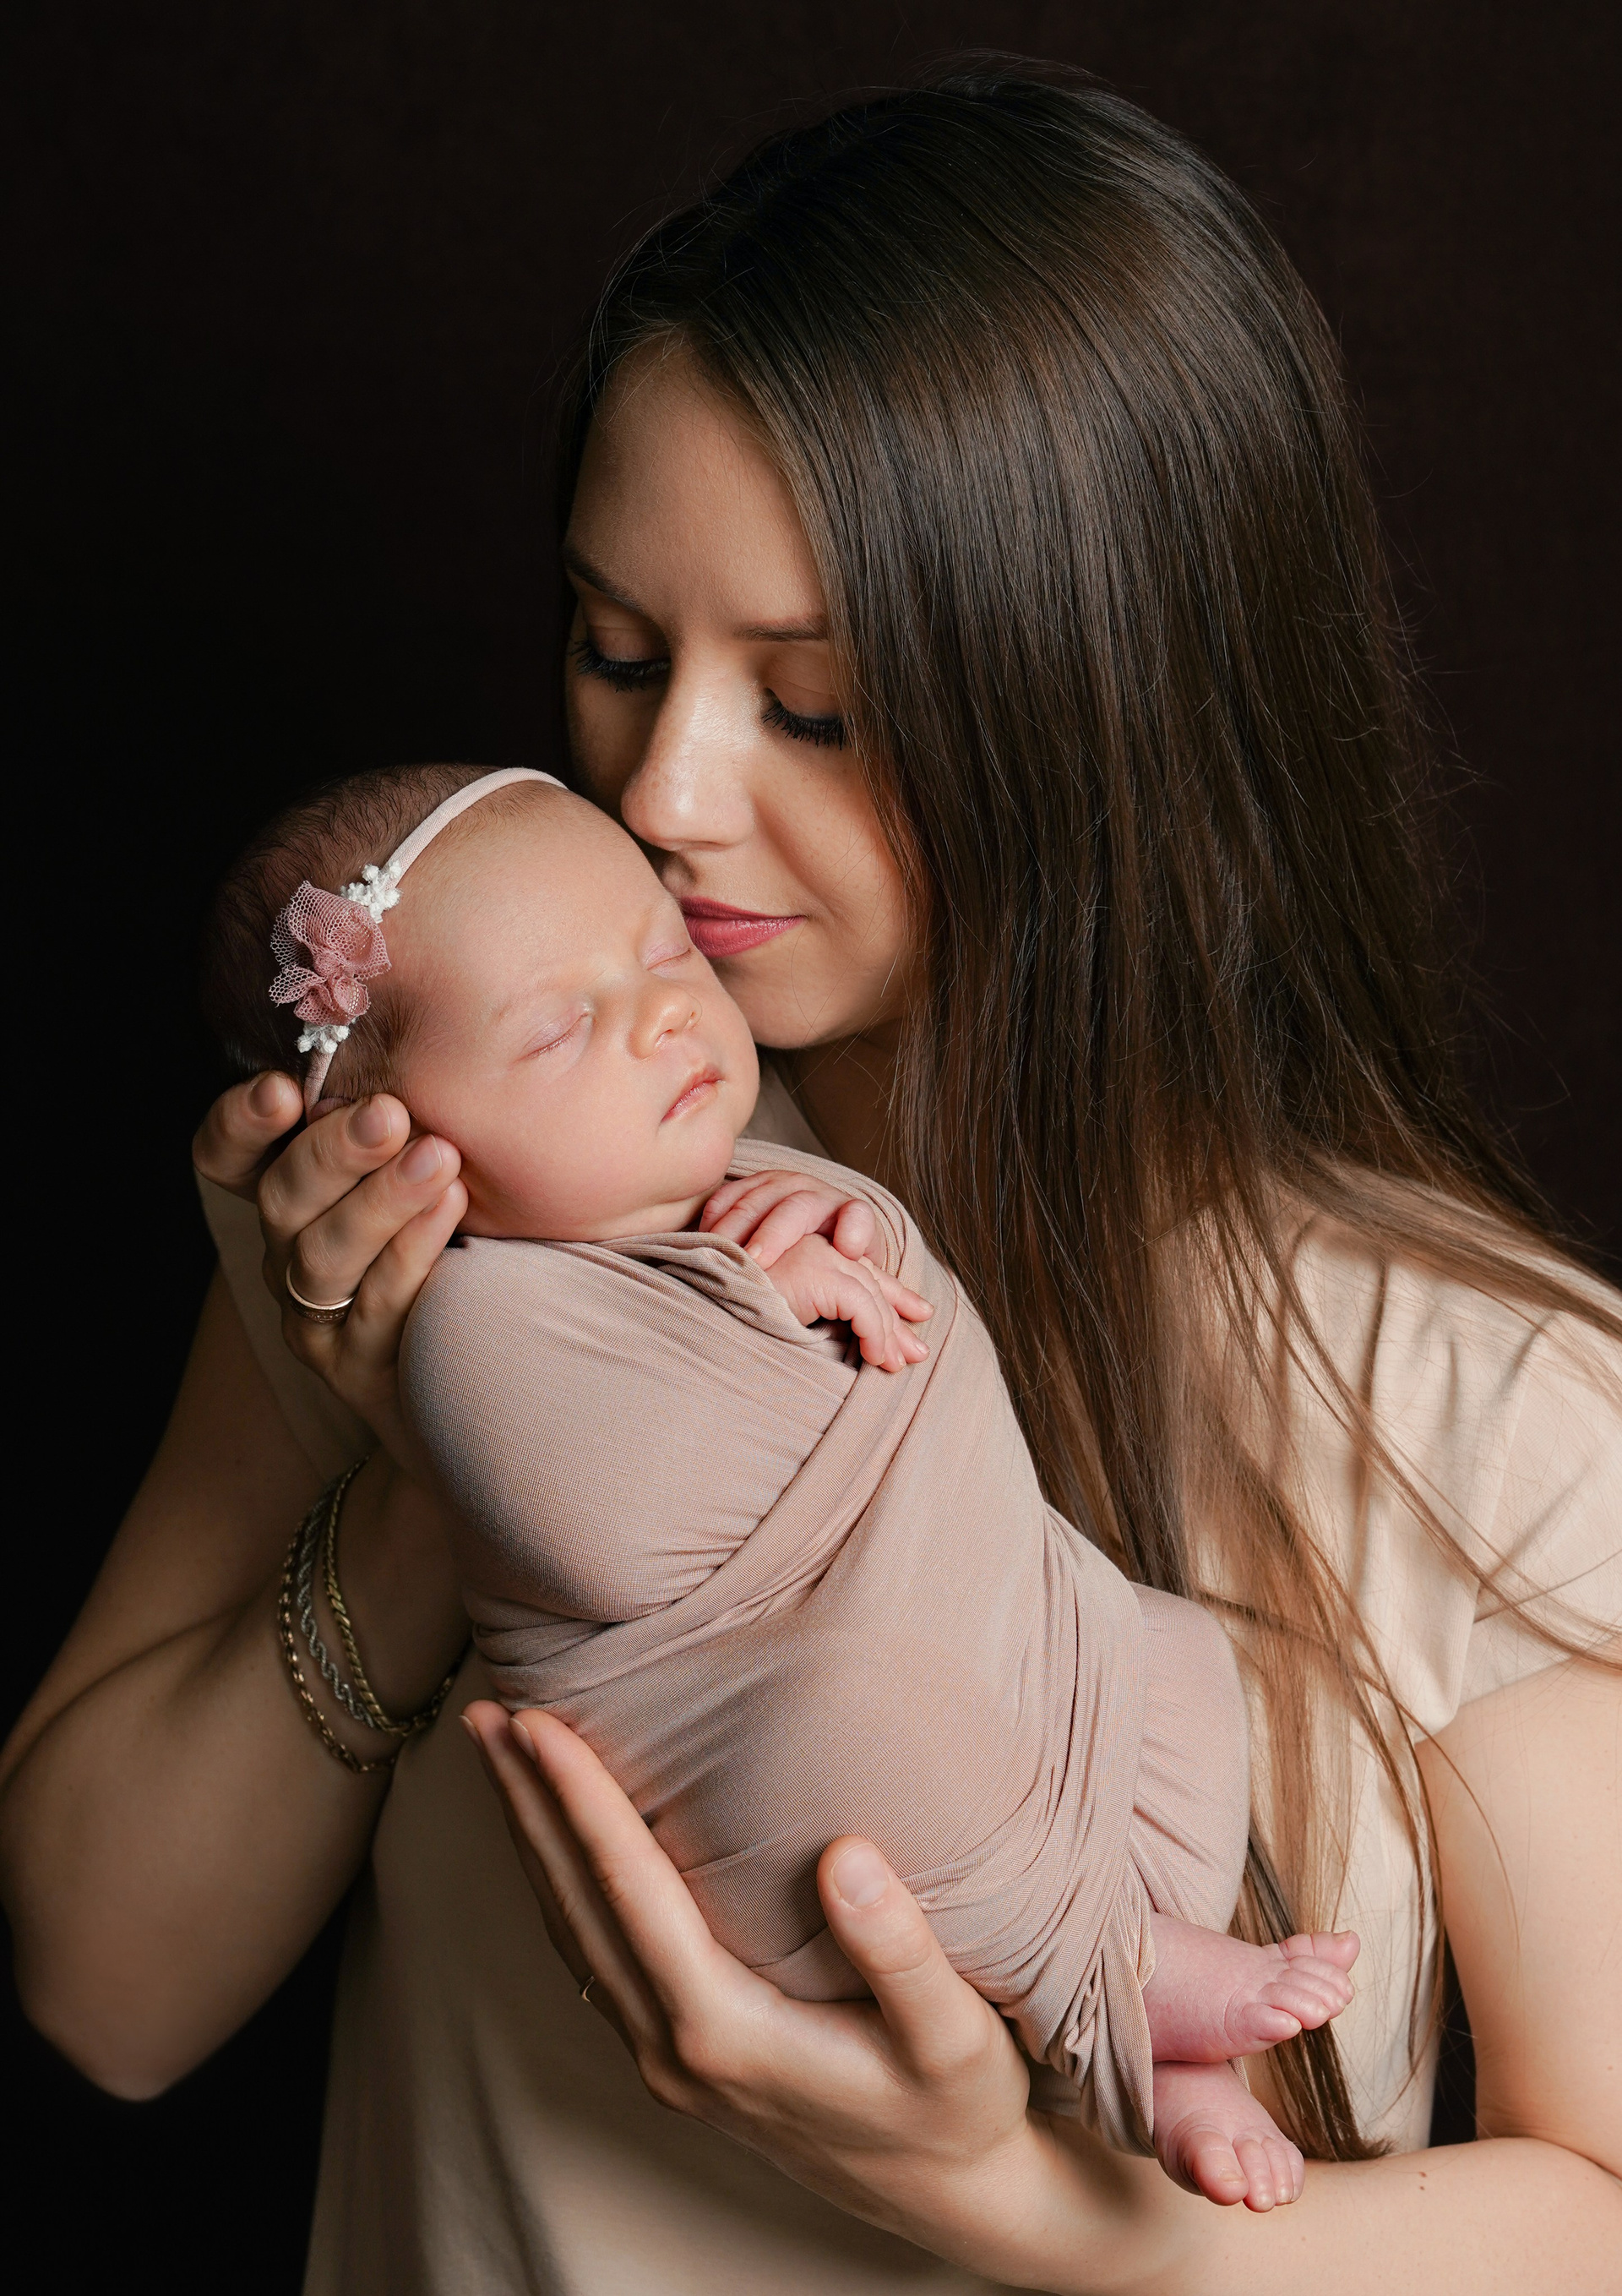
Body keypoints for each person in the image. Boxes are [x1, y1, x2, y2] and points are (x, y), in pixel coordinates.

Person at [3, 65, 1619, 2296]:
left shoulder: (1479, 1407)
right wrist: (434, 1469)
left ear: (1111, 711)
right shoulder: (461, 1186)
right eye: (615, 649)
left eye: (818, 706)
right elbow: (104, 1987)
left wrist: (1033, 2211)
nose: (663, 791)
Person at [201, 755, 1361, 2207]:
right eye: (561, 1027)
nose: (664, 1014)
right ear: (402, 1152)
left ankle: (1147, 2007)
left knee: (1166, 1657)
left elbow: (910, 1348)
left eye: (664, 952)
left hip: (992, 1638)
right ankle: (1109, 1981)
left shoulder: (741, 1180)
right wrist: (764, 1298)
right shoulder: (476, 1319)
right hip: (767, 1752)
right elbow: (610, 1528)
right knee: (864, 1717)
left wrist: (846, 1234)